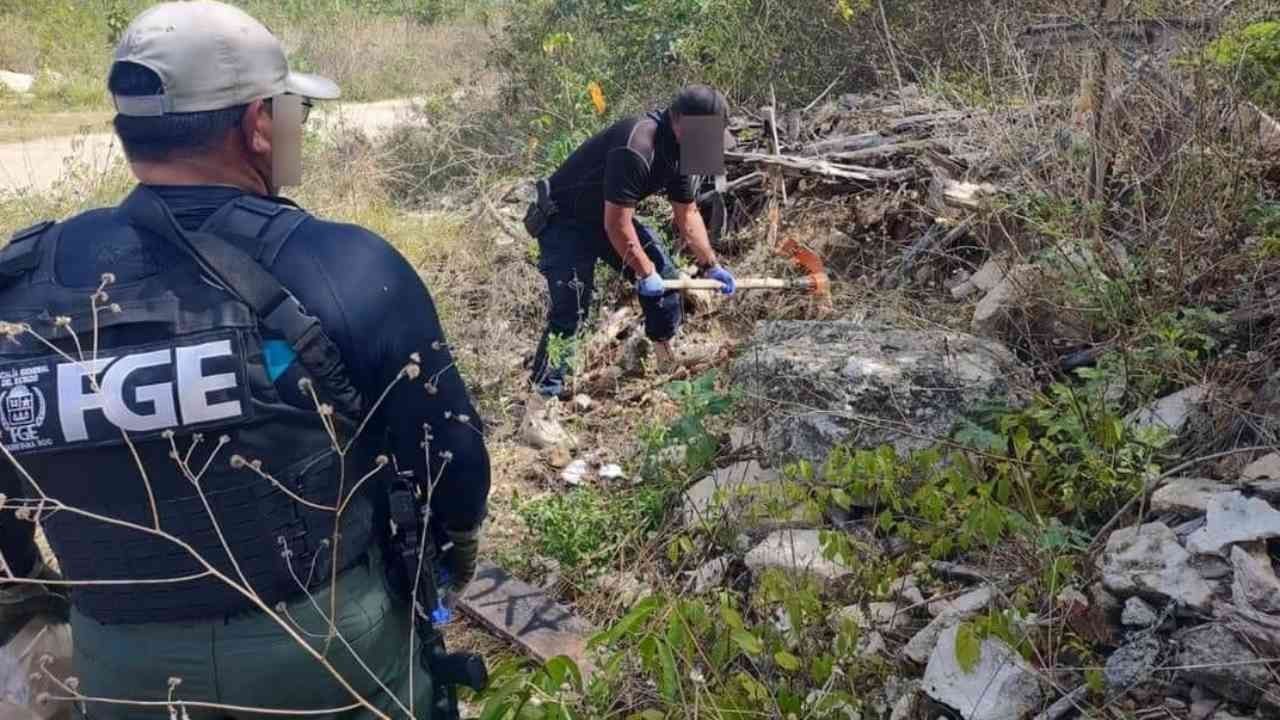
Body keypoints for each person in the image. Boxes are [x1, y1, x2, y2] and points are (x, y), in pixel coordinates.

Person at [0, 2, 490, 718]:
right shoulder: (342, 264)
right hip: (326, 649)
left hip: (121, 669)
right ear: (260, 124)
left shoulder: (22, 283)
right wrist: (452, 558)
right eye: (297, 111)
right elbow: (452, 460)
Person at [522, 85, 738, 407]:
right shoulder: (638, 145)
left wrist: (711, 265)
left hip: (604, 216)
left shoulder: (685, 148)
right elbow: (617, 225)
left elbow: (687, 212)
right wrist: (642, 271)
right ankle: (541, 402)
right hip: (563, 219)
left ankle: (664, 357)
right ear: (678, 121)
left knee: (665, 276)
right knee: (573, 307)